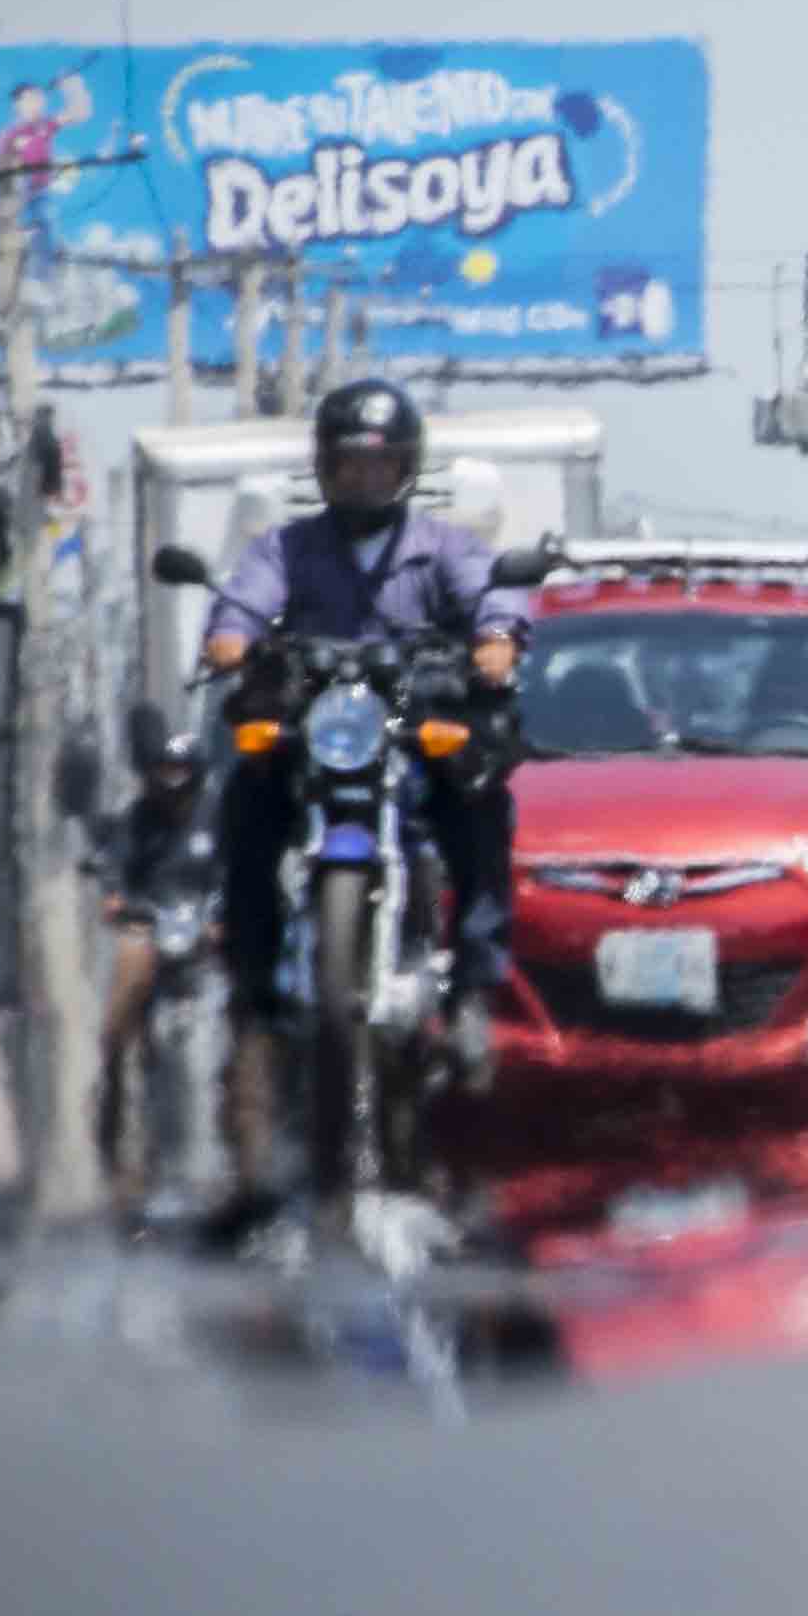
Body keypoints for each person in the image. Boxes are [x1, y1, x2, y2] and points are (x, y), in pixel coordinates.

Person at [203, 379, 531, 1185]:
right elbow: (245, 604)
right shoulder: (288, 547)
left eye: (378, 466)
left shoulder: (442, 546)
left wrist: (495, 635)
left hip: (410, 727)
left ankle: (474, 989)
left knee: (481, 804)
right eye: (347, 466)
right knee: (245, 804)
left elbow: (493, 591)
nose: (362, 481)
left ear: (406, 469)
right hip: (320, 726)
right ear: (323, 468)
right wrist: (232, 638)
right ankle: (255, 981)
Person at [93, 708, 215, 1205]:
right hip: (150, 930)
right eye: (163, 779)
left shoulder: (218, 817)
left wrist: (226, 916)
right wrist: (115, 896)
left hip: (208, 937)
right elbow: (114, 866)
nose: (172, 791)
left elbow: (240, 868)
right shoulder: (137, 818)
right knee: (118, 1017)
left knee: (264, 1002)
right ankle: (113, 1124)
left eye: (181, 780)